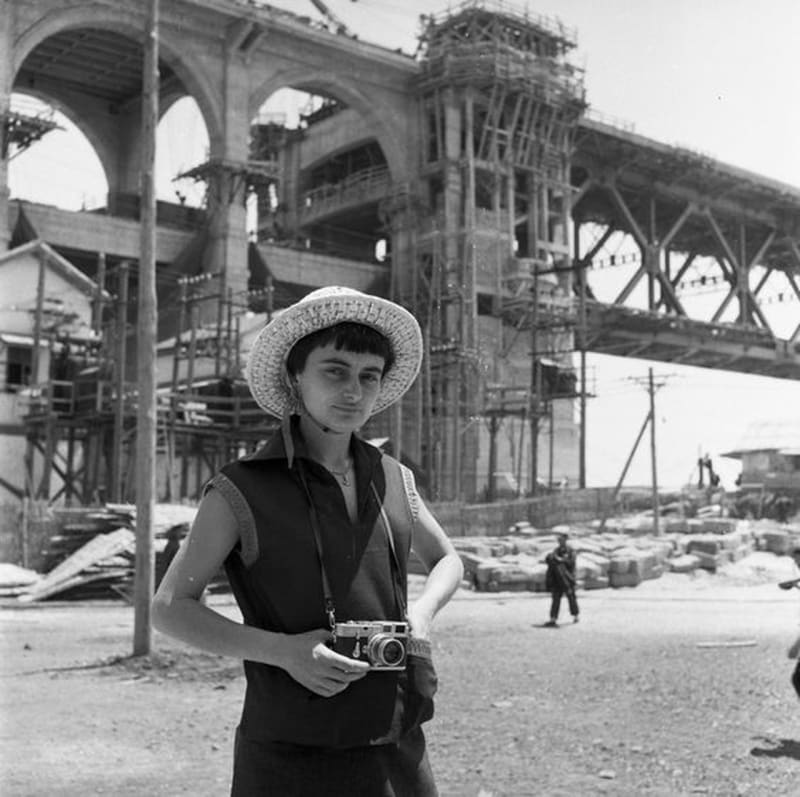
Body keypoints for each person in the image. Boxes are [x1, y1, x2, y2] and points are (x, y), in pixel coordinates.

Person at [153, 286, 464, 796]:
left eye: (370, 376)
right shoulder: (242, 487)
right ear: (296, 377)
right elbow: (169, 608)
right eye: (334, 370)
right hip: (289, 756)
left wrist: (423, 614)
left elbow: (447, 560)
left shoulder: (393, 476)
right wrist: (283, 652)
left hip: (397, 742)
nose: (354, 391)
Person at [544, 532, 579, 626]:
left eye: (562, 540)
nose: (560, 542)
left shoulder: (571, 551)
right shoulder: (556, 551)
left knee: (571, 597)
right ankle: (553, 618)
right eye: (559, 540)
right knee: (556, 598)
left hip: (568, 578)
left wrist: (562, 561)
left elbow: (572, 563)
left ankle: (575, 615)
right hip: (558, 579)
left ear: (565, 540)